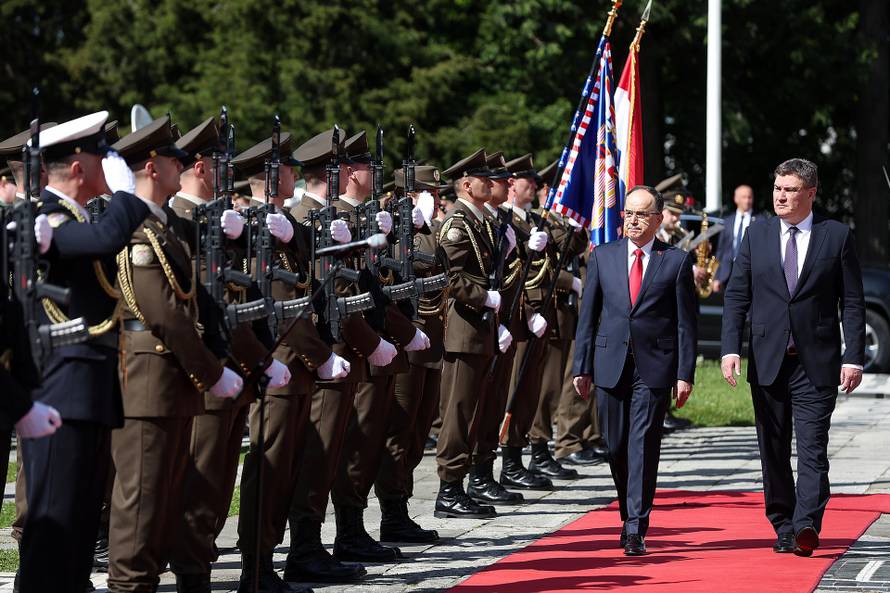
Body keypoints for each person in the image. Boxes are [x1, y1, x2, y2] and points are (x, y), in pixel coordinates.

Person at [107, 116, 244, 593]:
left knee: (164, 500)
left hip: (171, 381)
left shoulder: (163, 225)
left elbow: (192, 301)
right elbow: (163, 312)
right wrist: (212, 372)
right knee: (141, 505)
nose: (181, 168)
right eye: (174, 161)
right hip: (148, 381)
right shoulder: (136, 228)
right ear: (152, 167)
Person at [18, 111, 152, 593]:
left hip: (89, 389)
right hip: (60, 391)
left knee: (77, 532)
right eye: (102, 156)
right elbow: (105, 239)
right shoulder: (44, 218)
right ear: (78, 167)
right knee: (53, 529)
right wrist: (127, 195)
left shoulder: (74, 216)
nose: (112, 165)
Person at [720, 158, 865, 557]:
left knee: (814, 447)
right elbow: (737, 296)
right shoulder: (757, 234)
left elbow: (852, 301)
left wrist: (853, 356)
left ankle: (806, 523)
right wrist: (730, 348)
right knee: (773, 448)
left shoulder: (835, 236)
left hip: (815, 362)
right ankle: (783, 523)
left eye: (790, 190)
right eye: (777, 188)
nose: (780, 196)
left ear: (811, 193)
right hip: (768, 360)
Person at [573, 185, 697, 556]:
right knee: (615, 446)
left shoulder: (675, 261)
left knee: (643, 444)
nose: (633, 220)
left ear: (658, 220)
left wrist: (684, 373)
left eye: (642, 214)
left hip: (654, 366)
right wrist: (581, 366)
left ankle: (635, 527)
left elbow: (685, 324)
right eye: (628, 213)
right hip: (609, 363)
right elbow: (588, 316)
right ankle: (628, 512)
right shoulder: (603, 256)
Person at [374, 164, 451, 540]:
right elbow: (411, 265)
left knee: (419, 431)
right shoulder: (390, 226)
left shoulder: (425, 227)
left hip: (430, 339)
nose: (435, 199)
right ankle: (392, 512)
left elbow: (442, 270)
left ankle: (401, 503)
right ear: (408, 195)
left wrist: (423, 225)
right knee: (399, 431)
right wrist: (411, 224)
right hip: (406, 341)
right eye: (428, 193)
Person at [434, 148, 508, 519]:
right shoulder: (458, 222)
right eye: (484, 179)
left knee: (475, 411)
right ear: (466, 185)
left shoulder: (480, 221)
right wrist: (484, 297)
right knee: (459, 412)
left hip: (480, 329)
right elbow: (450, 277)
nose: (492, 184)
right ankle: (448, 489)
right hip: (463, 330)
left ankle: (460, 485)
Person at [713, 184, 758, 293]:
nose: (747, 200)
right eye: (744, 197)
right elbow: (721, 250)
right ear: (736, 199)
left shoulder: (760, 220)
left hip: (751, 273)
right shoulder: (727, 221)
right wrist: (716, 277)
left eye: (749, 197)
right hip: (727, 274)